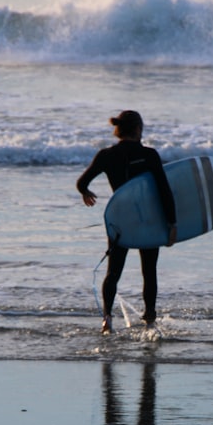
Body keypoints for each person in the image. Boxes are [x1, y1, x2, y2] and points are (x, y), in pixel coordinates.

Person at [77, 110, 177, 334]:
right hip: (148, 219)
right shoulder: (150, 155)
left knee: (113, 272)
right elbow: (164, 191)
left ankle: (107, 319)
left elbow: (82, 182)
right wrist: (172, 223)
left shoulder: (105, 155)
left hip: (120, 220)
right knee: (149, 271)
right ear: (138, 129)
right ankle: (150, 319)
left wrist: (86, 193)